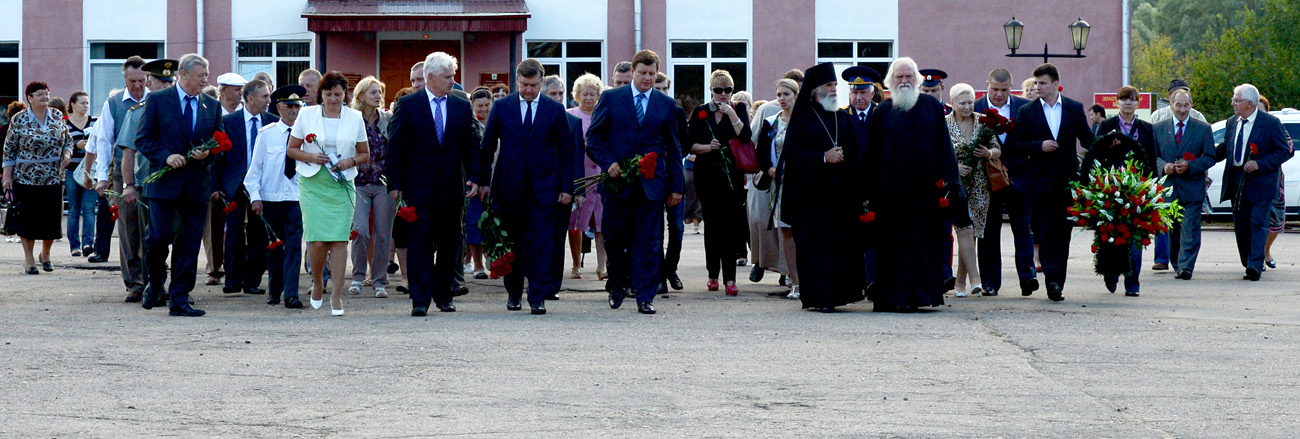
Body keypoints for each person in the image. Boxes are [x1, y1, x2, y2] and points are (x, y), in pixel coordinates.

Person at [586, 49, 685, 315]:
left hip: (651, 185)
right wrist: (609, 163)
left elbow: (674, 149)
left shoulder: (666, 105)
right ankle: (617, 285)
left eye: (652, 74)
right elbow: (594, 138)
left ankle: (645, 295)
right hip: (618, 184)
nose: (647, 78)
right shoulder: (611, 98)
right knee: (615, 239)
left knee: (649, 241)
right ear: (633, 71)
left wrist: (677, 187)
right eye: (643, 73)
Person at [387, 52, 482, 316]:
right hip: (418, 188)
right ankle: (420, 298)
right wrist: (394, 184)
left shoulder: (461, 106)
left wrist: (475, 176)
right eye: (448, 77)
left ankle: (444, 296)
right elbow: (396, 147)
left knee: (451, 243)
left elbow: (472, 145)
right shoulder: (408, 105)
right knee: (420, 243)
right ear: (430, 77)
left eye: (454, 76)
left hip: (452, 187)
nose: (453, 81)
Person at [862, 58, 960, 312]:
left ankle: (921, 295)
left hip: (924, 193)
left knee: (923, 245)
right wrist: (867, 191)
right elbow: (871, 154)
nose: (904, 81)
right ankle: (892, 297)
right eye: (898, 77)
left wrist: (949, 182)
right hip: (889, 195)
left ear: (916, 80)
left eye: (908, 76)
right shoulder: (881, 112)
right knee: (891, 247)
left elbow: (943, 147)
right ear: (890, 82)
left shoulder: (931, 107)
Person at [476, 59, 574, 314]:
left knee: (541, 243)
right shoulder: (502, 107)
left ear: (541, 82)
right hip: (509, 187)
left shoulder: (554, 109)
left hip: (544, 188)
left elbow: (566, 151)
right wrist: (483, 181)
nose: (528, 90)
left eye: (533, 85)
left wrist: (567, 188)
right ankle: (514, 293)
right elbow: (487, 146)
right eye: (523, 84)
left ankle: (538, 296)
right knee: (512, 243)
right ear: (516, 81)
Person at [135, 53, 224, 317]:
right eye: (200, 76)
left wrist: (209, 154)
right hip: (164, 184)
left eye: (206, 76)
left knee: (189, 243)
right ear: (182, 75)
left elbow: (219, 143)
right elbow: (143, 139)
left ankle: (180, 298)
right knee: (158, 238)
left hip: (196, 186)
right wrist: (165, 156)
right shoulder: (158, 100)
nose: (204, 81)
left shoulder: (211, 105)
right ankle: (155, 283)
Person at [1006, 63, 1095, 301]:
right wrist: (1039, 146)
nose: (1038, 87)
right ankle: (1051, 281)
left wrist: (1110, 146)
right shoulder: (1028, 111)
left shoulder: (1074, 108)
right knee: (1044, 233)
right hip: (1040, 184)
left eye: (1043, 83)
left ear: (1056, 84)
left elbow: (1087, 139)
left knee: (1063, 234)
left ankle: (1059, 281)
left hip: (1067, 183)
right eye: (1036, 83)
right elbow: (1015, 144)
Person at [781, 62, 865, 312]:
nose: (833, 89)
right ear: (816, 89)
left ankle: (843, 293)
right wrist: (822, 157)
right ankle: (819, 298)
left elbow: (856, 157)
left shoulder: (843, 118)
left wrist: (861, 192)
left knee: (843, 246)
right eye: (829, 85)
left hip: (842, 197)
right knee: (819, 248)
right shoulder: (802, 120)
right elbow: (793, 157)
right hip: (813, 199)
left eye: (835, 85)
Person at [287, 71, 371, 316]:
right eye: (328, 94)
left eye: (337, 94)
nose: (333, 99)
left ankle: (336, 295)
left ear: (345, 94)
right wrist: (312, 156)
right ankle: (317, 282)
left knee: (339, 239)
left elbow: (365, 154)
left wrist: (350, 162)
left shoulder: (354, 117)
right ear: (321, 94)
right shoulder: (306, 114)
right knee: (317, 239)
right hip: (314, 182)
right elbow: (292, 150)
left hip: (342, 183)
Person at [113, 58, 177, 305]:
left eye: (168, 82)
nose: (164, 86)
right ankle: (146, 284)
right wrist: (128, 185)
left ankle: (168, 284)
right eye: (160, 81)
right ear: (151, 82)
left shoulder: (180, 111)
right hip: (144, 183)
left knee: (171, 236)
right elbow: (127, 152)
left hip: (174, 184)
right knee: (146, 238)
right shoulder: (138, 111)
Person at [1083, 85, 1156, 296]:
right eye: (1124, 99)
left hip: (1136, 189)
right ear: (1117, 102)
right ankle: (1110, 272)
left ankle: (1133, 282)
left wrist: (1151, 187)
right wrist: (1108, 146)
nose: (1128, 103)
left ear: (1138, 103)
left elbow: (1150, 158)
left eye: (1132, 99)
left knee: (1134, 235)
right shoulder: (1106, 125)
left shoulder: (1146, 128)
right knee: (1110, 234)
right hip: (1109, 186)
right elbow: (1095, 153)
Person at [1216, 84, 1292, 281]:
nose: (1233, 103)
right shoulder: (1232, 122)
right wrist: (1203, 158)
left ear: (1249, 103)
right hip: (1237, 182)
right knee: (1241, 226)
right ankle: (1248, 261)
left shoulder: (1270, 123)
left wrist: (1260, 164)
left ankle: (1255, 266)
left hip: (1261, 182)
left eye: (1236, 100)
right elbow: (1226, 147)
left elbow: (1284, 150)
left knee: (1258, 223)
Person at [687, 69, 750, 296]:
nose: (723, 94)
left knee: (731, 227)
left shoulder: (738, 108)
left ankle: (730, 279)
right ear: (711, 90)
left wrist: (732, 114)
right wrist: (708, 148)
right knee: (712, 226)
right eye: (718, 90)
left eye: (728, 90)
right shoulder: (701, 112)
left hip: (732, 176)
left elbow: (746, 137)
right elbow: (690, 145)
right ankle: (713, 274)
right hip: (707, 174)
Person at [973, 68, 1035, 297]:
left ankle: (1028, 278)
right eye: (995, 89)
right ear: (987, 85)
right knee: (989, 232)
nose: (999, 94)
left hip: (1019, 178)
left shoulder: (1024, 108)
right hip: (987, 180)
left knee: (1023, 230)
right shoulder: (976, 108)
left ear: (1012, 87)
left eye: (1004, 90)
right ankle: (990, 282)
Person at [214, 78, 278, 296]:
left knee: (259, 233)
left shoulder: (272, 122)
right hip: (234, 184)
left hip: (263, 185)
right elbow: (217, 156)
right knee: (233, 232)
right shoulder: (228, 122)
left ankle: (252, 280)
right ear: (250, 99)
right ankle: (232, 279)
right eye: (265, 96)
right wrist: (215, 186)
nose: (269, 100)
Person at [246, 85, 307, 309]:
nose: (294, 110)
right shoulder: (267, 134)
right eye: (289, 106)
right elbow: (254, 172)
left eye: (298, 105)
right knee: (274, 247)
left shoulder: (309, 135)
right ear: (279, 107)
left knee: (293, 246)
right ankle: (275, 290)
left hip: (298, 198)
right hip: (271, 199)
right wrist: (255, 197)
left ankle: (291, 294)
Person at [3, 82, 74, 275]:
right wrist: (7, 177)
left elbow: (68, 140)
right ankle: (29, 259)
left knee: (50, 220)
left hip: (52, 177)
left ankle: (46, 253)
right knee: (28, 221)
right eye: (40, 94)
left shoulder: (57, 116)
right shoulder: (19, 119)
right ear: (30, 97)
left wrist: (67, 155)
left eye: (47, 93)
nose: (45, 96)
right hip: (25, 177)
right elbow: (9, 149)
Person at [1155, 88, 1216, 281]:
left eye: (1186, 105)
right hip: (1169, 188)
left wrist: (1190, 165)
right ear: (1171, 105)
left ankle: (1186, 266)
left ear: (1191, 105)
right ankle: (1176, 263)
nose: (1182, 109)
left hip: (1192, 188)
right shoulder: (1158, 128)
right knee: (1173, 230)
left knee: (1190, 228)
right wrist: (1163, 166)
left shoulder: (1203, 128)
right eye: (1178, 105)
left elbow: (1210, 157)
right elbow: (1152, 156)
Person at [346, 76, 395, 299]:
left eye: (380, 92)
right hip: (359, 183)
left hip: (384, 184)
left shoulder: (387, 118)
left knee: (383, 234)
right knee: (360, 231)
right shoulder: (352, 119)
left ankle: (379, 280)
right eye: (373, 92)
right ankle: (357, 277)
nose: (378, 96)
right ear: (361, 96)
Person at [946, 83, 992, 298]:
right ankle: (973, 281)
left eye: (970, 102)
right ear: (952, 103)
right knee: (964, 229)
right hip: (955, 184)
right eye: (962, 102)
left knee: (972, 232)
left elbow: (998, 149)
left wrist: (988, 153)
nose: (967, 106)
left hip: (980, 185)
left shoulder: (983, 121)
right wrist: (954, 167)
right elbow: (937, 153)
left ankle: (961, 283)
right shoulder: (944, 124)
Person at [757, 78, 800, 299]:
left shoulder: (804, 121)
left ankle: (808, 276)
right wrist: (770, 168)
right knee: (786, 230)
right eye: (779, 95)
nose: (782, 99)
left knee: (802, 229)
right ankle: (794, 280)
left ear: (796, 95)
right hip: (779, 184)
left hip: (801, 184)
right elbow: (761, 153)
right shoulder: (771, 122)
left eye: (786, 94)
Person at [839, 66, 879, 293]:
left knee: (876, 238)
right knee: (852, 238)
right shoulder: (843, 116)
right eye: (855, 92)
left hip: (877, 187)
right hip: (851, 188)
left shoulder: (882, 114)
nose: (859, 97)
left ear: (872, 93)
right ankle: (855, 283)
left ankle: (873, 281)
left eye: (863, 92)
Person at [567, 74, 607, 281]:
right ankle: (575, 265)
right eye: (585, 94)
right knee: (575, 224)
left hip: (601, 175)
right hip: (579, 174)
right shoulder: (570, 115)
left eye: (593, 94)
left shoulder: (603, 115)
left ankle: (602, 266)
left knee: (601, 222)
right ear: (577, 95)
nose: (589, 98)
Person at [654, 72, 691, 293]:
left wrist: (670, 155)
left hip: (675, 176)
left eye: (664, 89)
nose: (660, 93)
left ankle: (670, 269)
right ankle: (659, 275)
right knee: (655, 230)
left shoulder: (676, 112)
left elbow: (684, 144)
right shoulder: (647, 111)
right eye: (656, 89)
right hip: (654, 176)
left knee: (677, 229)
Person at [463, 87, 493, 280]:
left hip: (496, 179)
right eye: (479, 106)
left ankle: (495, 259)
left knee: (494, 222)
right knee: (474, 224)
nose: (483, 109)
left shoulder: (498, 122)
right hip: (474, 181)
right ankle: (478, 264)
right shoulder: (469, 125)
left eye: (487, 105)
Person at [63, 90, 97, 257]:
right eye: (82, 103)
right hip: (72, 171)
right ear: (73, 104)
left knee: (89, 208)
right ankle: (74, 245)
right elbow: (61, 145)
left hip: (90, 170)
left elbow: (102, 141)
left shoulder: (94, 122)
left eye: (87, 103)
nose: (85, 106)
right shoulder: (65, 124)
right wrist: (77, 146)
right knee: (74, 209)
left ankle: (88, 244)